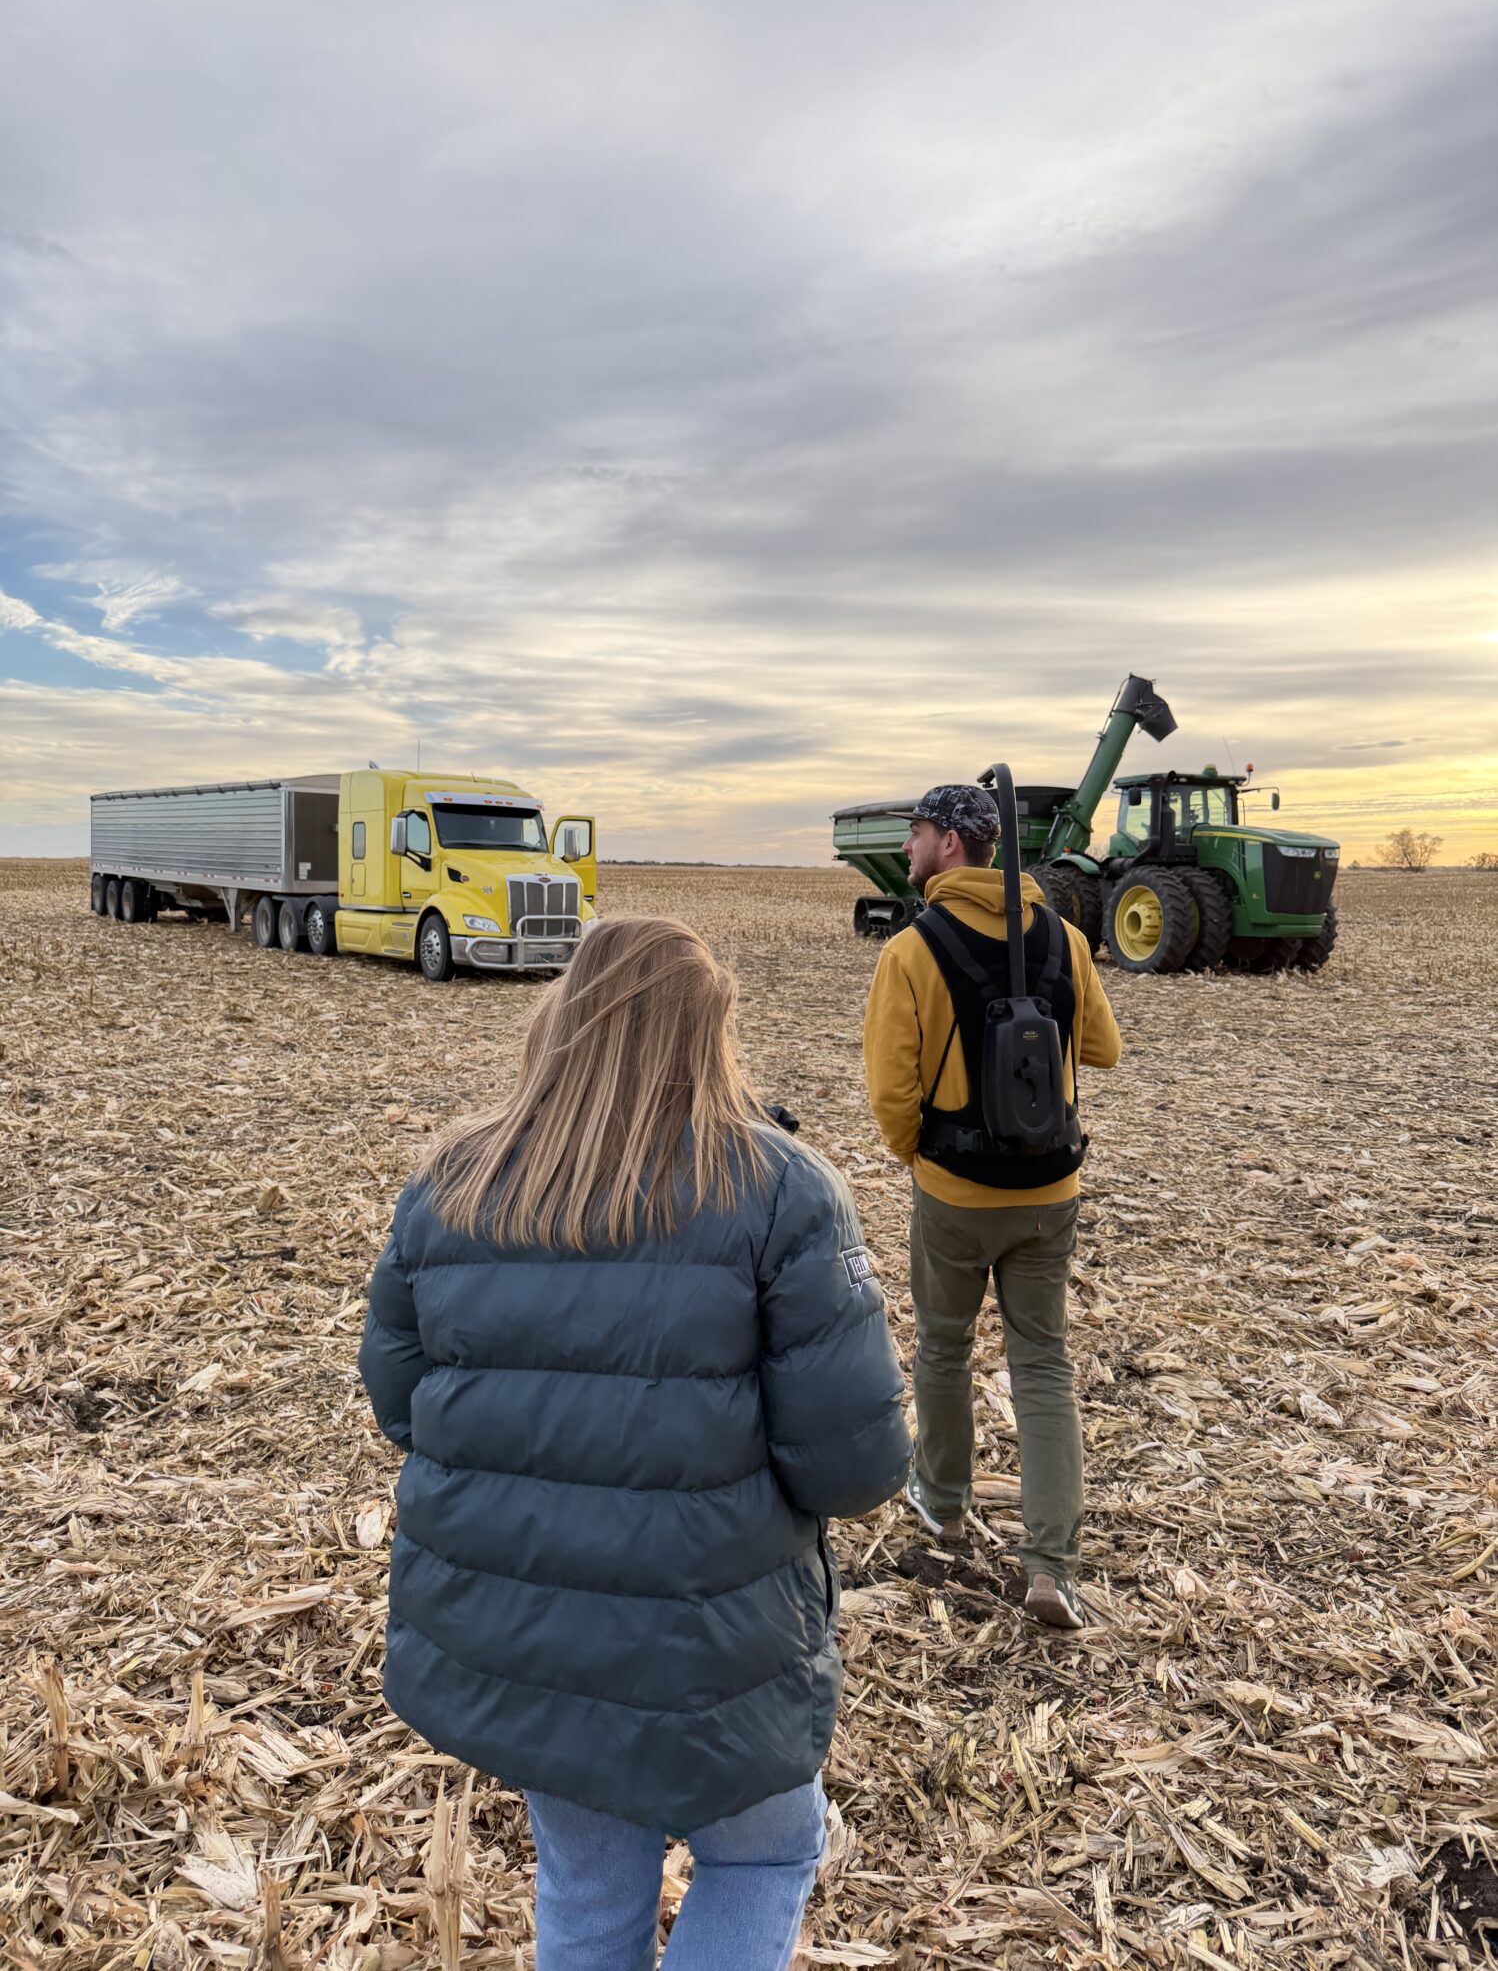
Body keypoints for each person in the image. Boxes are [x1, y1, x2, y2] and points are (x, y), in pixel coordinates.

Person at [359, 916, 911, 1970]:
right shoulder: (780, 1189)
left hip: (518, 1625)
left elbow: (401, 1402)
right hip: (708, 1634)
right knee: (761, 1855)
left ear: (561, 1018)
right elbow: (853, 1465)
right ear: (712, 1033)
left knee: (585, 1874)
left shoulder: (452, 1185)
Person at [862, 785, 1121, 1631]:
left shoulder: (910, 950)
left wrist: (921, 1160)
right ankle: (1052, 1564)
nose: (907, 848)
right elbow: (1103, 1049)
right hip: (1052, 1194)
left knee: (942, 1347)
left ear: (949, 845)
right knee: (1042, 1364)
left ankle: (941, 1504)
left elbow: (892, 1093)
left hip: (953, 1195)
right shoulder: (1067, 938)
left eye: (916, 834)